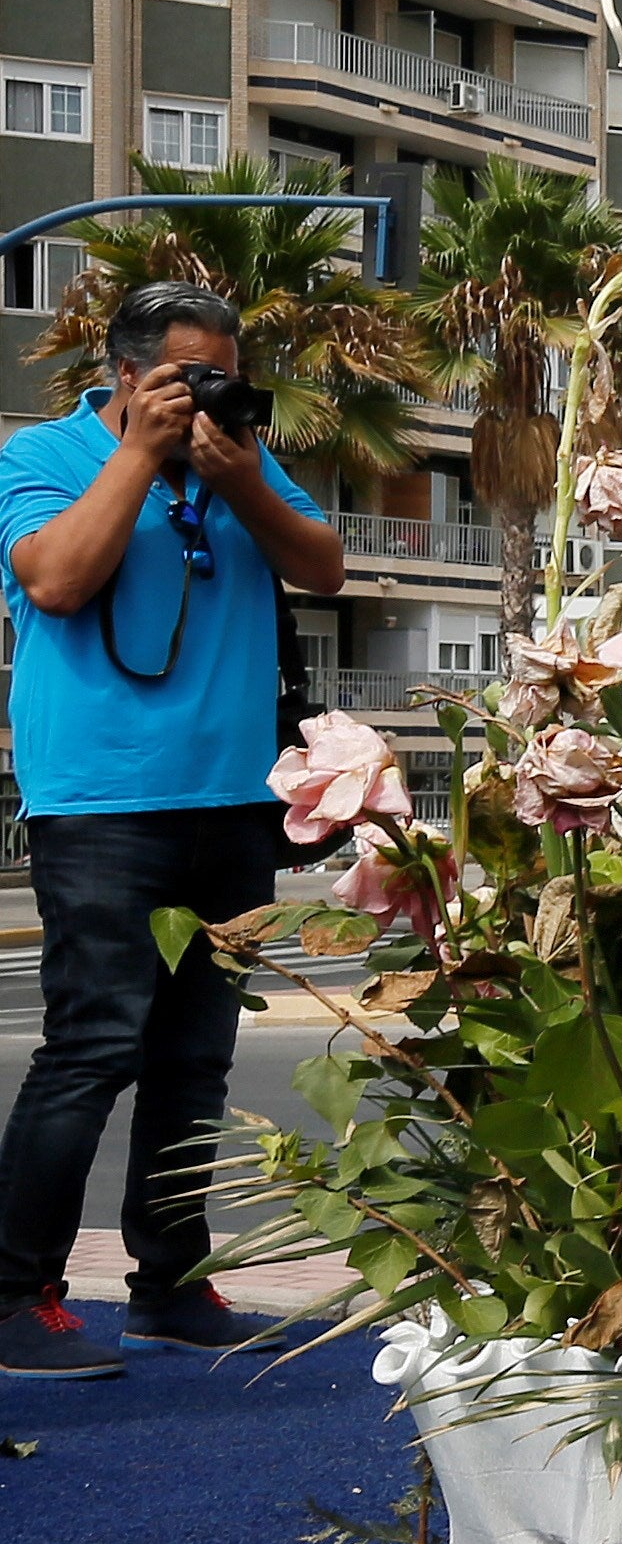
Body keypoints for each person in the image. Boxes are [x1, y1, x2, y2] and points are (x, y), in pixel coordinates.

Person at [0, 281, 346, 1374]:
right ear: (122, 373)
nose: (206, 396)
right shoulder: (45, 456)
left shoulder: (240, 459)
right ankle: (15, 1296)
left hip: (234, 803)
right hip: (102, 805)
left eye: (222, 377)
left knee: (196, 1059)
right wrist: (141, 458)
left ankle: (171, 1286)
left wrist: (243, 481)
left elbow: (323, 566)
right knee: (94, 1046)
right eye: (184, 376)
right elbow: (54, 581)